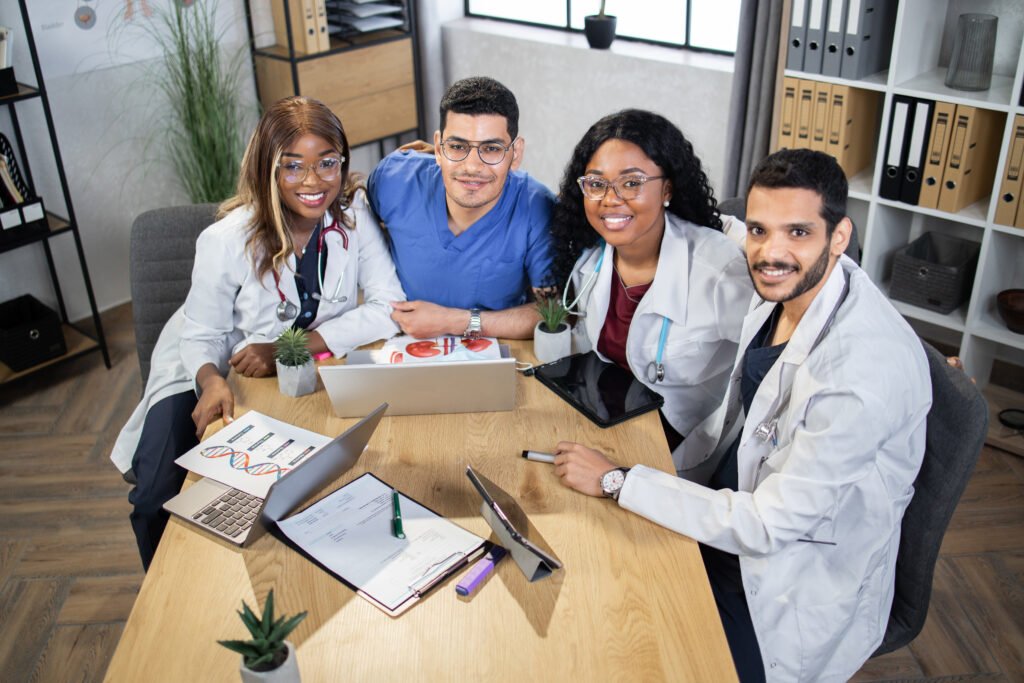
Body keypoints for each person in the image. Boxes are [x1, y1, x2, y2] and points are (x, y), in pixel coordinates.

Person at [552, 148, 932, 682]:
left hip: (782, 573)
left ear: (839, 236)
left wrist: (618, 480)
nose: (770, 252)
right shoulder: (783, 279)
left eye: (798, 232)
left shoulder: (857, 380)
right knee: (590, 584)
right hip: (725, 503)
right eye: (760, 230)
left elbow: (767, 527)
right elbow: (718, 224)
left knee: (638, 653)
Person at [110, 97, 404, 570]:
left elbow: (389, 306)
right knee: (155, 494)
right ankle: (164, 589)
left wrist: (293, 347)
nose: (314, 182)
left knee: (297, 487)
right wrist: (210, 380)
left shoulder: (352, 218)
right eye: (293, 167)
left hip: (287, 361)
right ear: (268, 168)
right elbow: (202, 333)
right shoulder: (227, 239)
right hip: (204, 357)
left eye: (328, 163)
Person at [550, 109, 752, 453]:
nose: (611, 199)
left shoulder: (719, 272)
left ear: (667, 189)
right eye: (597, 184)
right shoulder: (589, 260)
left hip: (682, 449)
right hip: (610, 422)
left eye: (632, 183)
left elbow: (769, 368)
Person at [367, 76, 555, 339]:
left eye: (491, 149)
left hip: (496, 350)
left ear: (516, 153)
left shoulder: (538, 208)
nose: (472, 167)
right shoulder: (393, 180)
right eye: (457, 146)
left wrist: (455, 322)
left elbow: (554, 311)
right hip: (398, 346)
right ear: (439, 147)